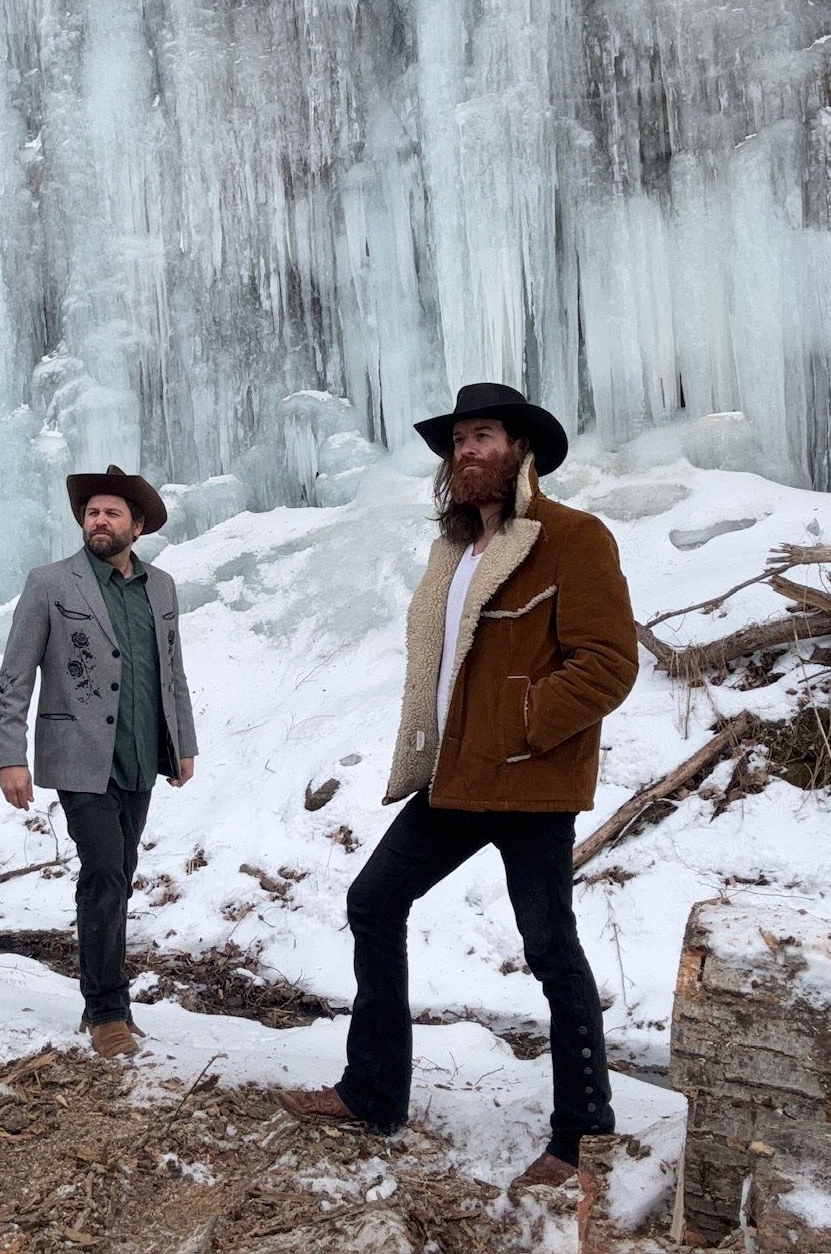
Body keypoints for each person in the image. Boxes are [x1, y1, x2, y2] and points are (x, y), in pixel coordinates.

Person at [274, 382, 640, 1191]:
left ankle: (584, 1136)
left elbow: (609, 664)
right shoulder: (456, 552)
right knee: (374, 901)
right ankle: (372, 1094)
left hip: (530, 780)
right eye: (457, 443)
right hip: (455, 777)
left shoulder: (572, 538)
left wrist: (525, 724)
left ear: (520, 452)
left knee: (550, 950)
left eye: (482, 436)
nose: (466, 452)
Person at [0, 465, 199, 1059]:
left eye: (112, 513)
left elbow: (172, 671)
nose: (99, 521)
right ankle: (106, 1009)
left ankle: (110, 1002)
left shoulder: (161, 588)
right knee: (104, 873)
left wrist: (182, 741)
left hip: (140, 754)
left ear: (138, 526)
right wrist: (10, 755)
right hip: (78, 757)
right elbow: (15, 673)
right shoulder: (50, 583)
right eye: (91, 513)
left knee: (121, 875)